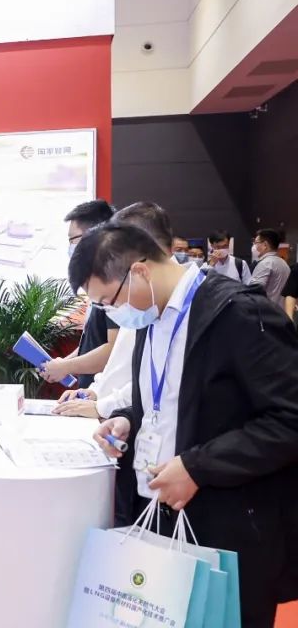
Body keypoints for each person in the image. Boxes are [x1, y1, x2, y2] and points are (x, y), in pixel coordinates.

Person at [73, 224, 298, 628]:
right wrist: (128, 420)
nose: (112, 313)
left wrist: (198, 467)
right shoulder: (149, 318)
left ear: (139, 271)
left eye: (109, 301)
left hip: (228, 530)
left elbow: (289, 418)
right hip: (160, 520)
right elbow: (170, 402)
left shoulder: (238, 313)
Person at [54, 201, 176, 422]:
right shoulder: (142, 302)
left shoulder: (141, 298)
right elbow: (130, 370)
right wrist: (97, 393)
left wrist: (103, 405)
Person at [39, 200, 118, 388]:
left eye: (72, 239)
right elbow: (92, 343)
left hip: (109, 394)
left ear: (91, 236)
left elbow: (114, 350)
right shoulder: (97, 283)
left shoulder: (114, 284)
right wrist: (62, 365)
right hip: (91, 392)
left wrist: (66, 366)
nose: (70, 247)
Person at [250, 228, 289, 309]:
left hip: (267, 312)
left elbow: (254, 291)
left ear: (265, 245)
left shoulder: (265, 263)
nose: (254, 246)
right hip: (281, 312)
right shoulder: (284, 263)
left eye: (256, 242)